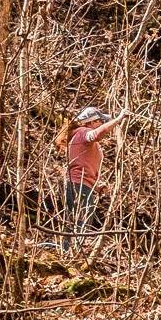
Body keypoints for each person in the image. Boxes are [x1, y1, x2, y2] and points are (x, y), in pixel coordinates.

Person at [57, 106, 124, 252]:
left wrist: (95, 185)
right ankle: (74, 252)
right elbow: (96, 135)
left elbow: (82, 164)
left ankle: (67, 251)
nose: (102, 123)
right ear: (92, 122)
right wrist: (118, 120)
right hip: (79, 184)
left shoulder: (78, 136)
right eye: (100, 121)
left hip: (78, 184)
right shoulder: (83, 133)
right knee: (82, 221)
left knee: (72, 220)